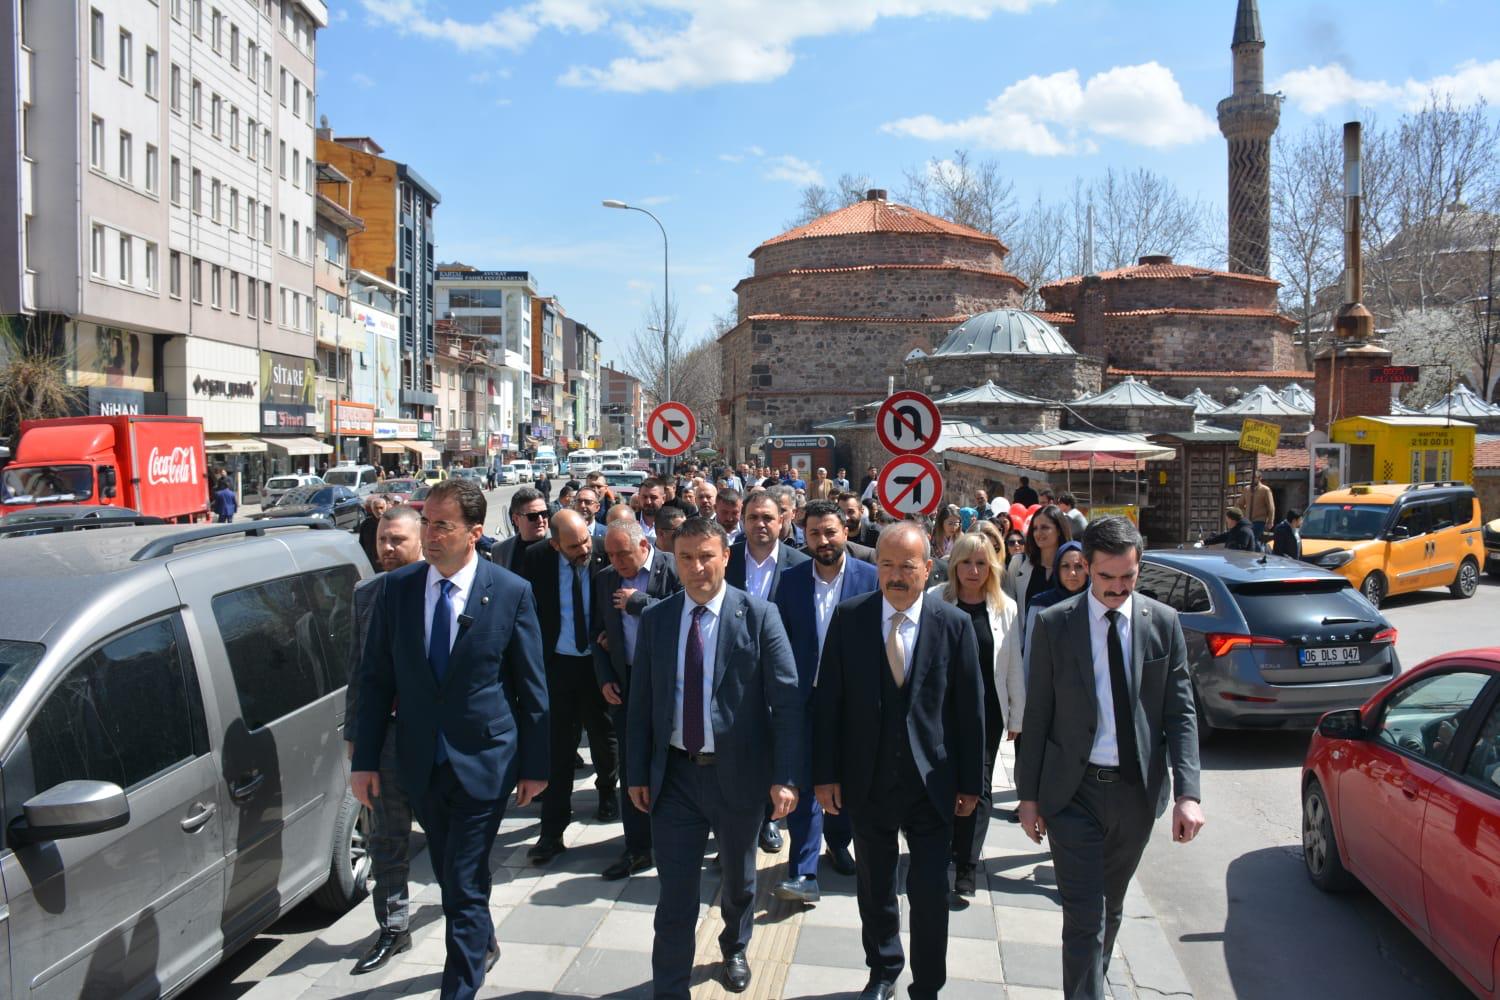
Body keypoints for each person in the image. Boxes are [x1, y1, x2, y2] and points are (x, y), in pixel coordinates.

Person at [350, 478, 549, 1000]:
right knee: (450, 872)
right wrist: (364, 760)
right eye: (426, 523)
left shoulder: (509, 592)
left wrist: (536, 764)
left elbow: (532, 688)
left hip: (484, 761)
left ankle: (458, 987)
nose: (430, 535)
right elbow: (374, 681)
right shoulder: (396, 590)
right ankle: (481, 941)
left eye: (443, 525)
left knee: (460, 881)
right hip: (420, 762)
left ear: (475, 533)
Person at [1016, 516, 1203, 1000]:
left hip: (1135, 794)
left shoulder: (1162, 624)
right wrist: (1028, 797)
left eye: (1128, 577)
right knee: (1085, 916)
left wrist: (1188, 794)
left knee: (1110, 907)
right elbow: (1037, 715)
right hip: (1071, 792)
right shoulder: (1056, 624)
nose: (1118, 589)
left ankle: (1090, 983)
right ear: (1085, 570)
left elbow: (1180, 712)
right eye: (1106, 578)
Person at [626, 517, 802, 998]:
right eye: (686, 557)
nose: (697, 567)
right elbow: (642, 703)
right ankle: (670, 988)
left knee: (741, 880)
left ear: (726, 556)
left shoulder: (759, 615)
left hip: (738, 777)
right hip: (676, 778)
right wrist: (637, 772)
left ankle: (735, 944)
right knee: (675, 897)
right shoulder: (659, 619)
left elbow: (787, 701)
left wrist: (786, 776)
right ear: (673, 560)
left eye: (707, 555)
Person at [813, 522, 985, 1000]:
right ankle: (883, 969)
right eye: (885, 565)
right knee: (875, 887)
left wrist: (972, 783)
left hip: (932, 786)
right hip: (866, 782)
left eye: (906, 566)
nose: (894, 576)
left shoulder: (954, 625)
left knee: (931, 892)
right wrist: (824, 775)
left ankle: (927, 984)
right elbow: (829, 702)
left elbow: (970, 712)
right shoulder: (850, 618)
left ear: (928, 569)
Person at [770, 501, 880, 904]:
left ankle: (838, 841)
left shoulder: (870, 579)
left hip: (853, 702)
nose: (823, 541)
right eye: (815, 533)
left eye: (830, 532)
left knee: (847, 778)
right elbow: (779, 639)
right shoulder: (792, 580)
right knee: (804, 779)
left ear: (845, 532)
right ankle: (803, 871)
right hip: (803, 699)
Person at [345, 506, 426, 975]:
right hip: (388, 738)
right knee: (386, 839)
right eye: (381, 542)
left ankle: (474, 926)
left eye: (397, 540)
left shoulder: (443, 591)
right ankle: (394, 927)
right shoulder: (366, 593)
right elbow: (358, 671)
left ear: (421, 540)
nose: (387, 550)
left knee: (455, 844)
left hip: (438, 741)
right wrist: (358, 739)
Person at [928, 531, 1024, 898]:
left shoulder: (1006, 608)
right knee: (943, 780)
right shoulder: (937, 600)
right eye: (966, 562)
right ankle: (944, 847)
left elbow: (1013, 664)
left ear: (992, 567)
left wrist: (1017, 716)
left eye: (981, 563)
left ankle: (967, 866)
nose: (973, 570)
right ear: (954, 565)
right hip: (940, 711)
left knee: (979, 786)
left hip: (987, 712)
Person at [522, 510, 620, 864]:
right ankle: (552, 832)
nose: (583, 550)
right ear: (554, 545)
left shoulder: (602, 551)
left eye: (585, 541)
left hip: (596, 663)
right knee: (558, 750)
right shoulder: (534, 560)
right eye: (573, 546)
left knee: (603, 735)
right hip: (557, 666)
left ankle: (608, 792)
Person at [593, 520, 681, 881]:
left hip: (671, 683)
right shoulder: (604, 579)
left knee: (675, 765)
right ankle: (637, 847)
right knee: (633, 766)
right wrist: (605, 678)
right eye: (610, 554)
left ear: (643, 544)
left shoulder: (674, 567)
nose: (617, 561)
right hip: (627, 683)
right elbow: (595, 631)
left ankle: (677, 839)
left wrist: (639, 602)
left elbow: (683, 614)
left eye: (623, 553)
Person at [727, 490, 810, 853]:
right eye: (753, 518)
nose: (760, 524)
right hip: (734, 672)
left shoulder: (799, 563)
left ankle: (769, 821)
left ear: (782, 521)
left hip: (781, 673)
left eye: (767, 518)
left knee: (777, 746)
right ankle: (735, 824)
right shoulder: (727, 562)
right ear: (743, 522)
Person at [1004, 505, 1071, 626]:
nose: (1038, 533)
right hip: (1026, 641)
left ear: (1059, 530)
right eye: (1035, 528)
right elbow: (1009, 608)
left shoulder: (1072, 566)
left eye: (1045, 527)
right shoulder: (1019, 563)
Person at [491, 488, 551, 573]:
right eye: (533, 516)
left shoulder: (561, 544)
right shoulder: (500, 550)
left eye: (544, 514)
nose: (540, 520)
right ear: (516, 519)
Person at [1239, 470, 1275, 543]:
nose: (1252, 480)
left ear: (1259, 478)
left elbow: (1270, 507)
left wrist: (1270, 521)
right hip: (1248, 520)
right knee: (1248, 540)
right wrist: (1245, 514)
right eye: (1251, 478)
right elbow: (1240, 504)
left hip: (1259, 520)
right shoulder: (1247, 489)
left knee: (1254, 539)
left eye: (1254, 478)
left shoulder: (1265, 490)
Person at [358, 495, 390, 569]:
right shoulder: (365, 524)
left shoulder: (390, 523)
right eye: (376, 508)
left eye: (381, 508)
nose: (379, 511)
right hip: (370, 563)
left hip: (386, 562)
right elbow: (361, 544)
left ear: (385, 508)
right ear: (372, 509)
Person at [637, 478, 666, 542]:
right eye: (645, 497)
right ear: (638, 497)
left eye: (653, 497)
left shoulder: (670, 524)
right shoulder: (630, 521)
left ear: (663, 499)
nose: (648, 502)